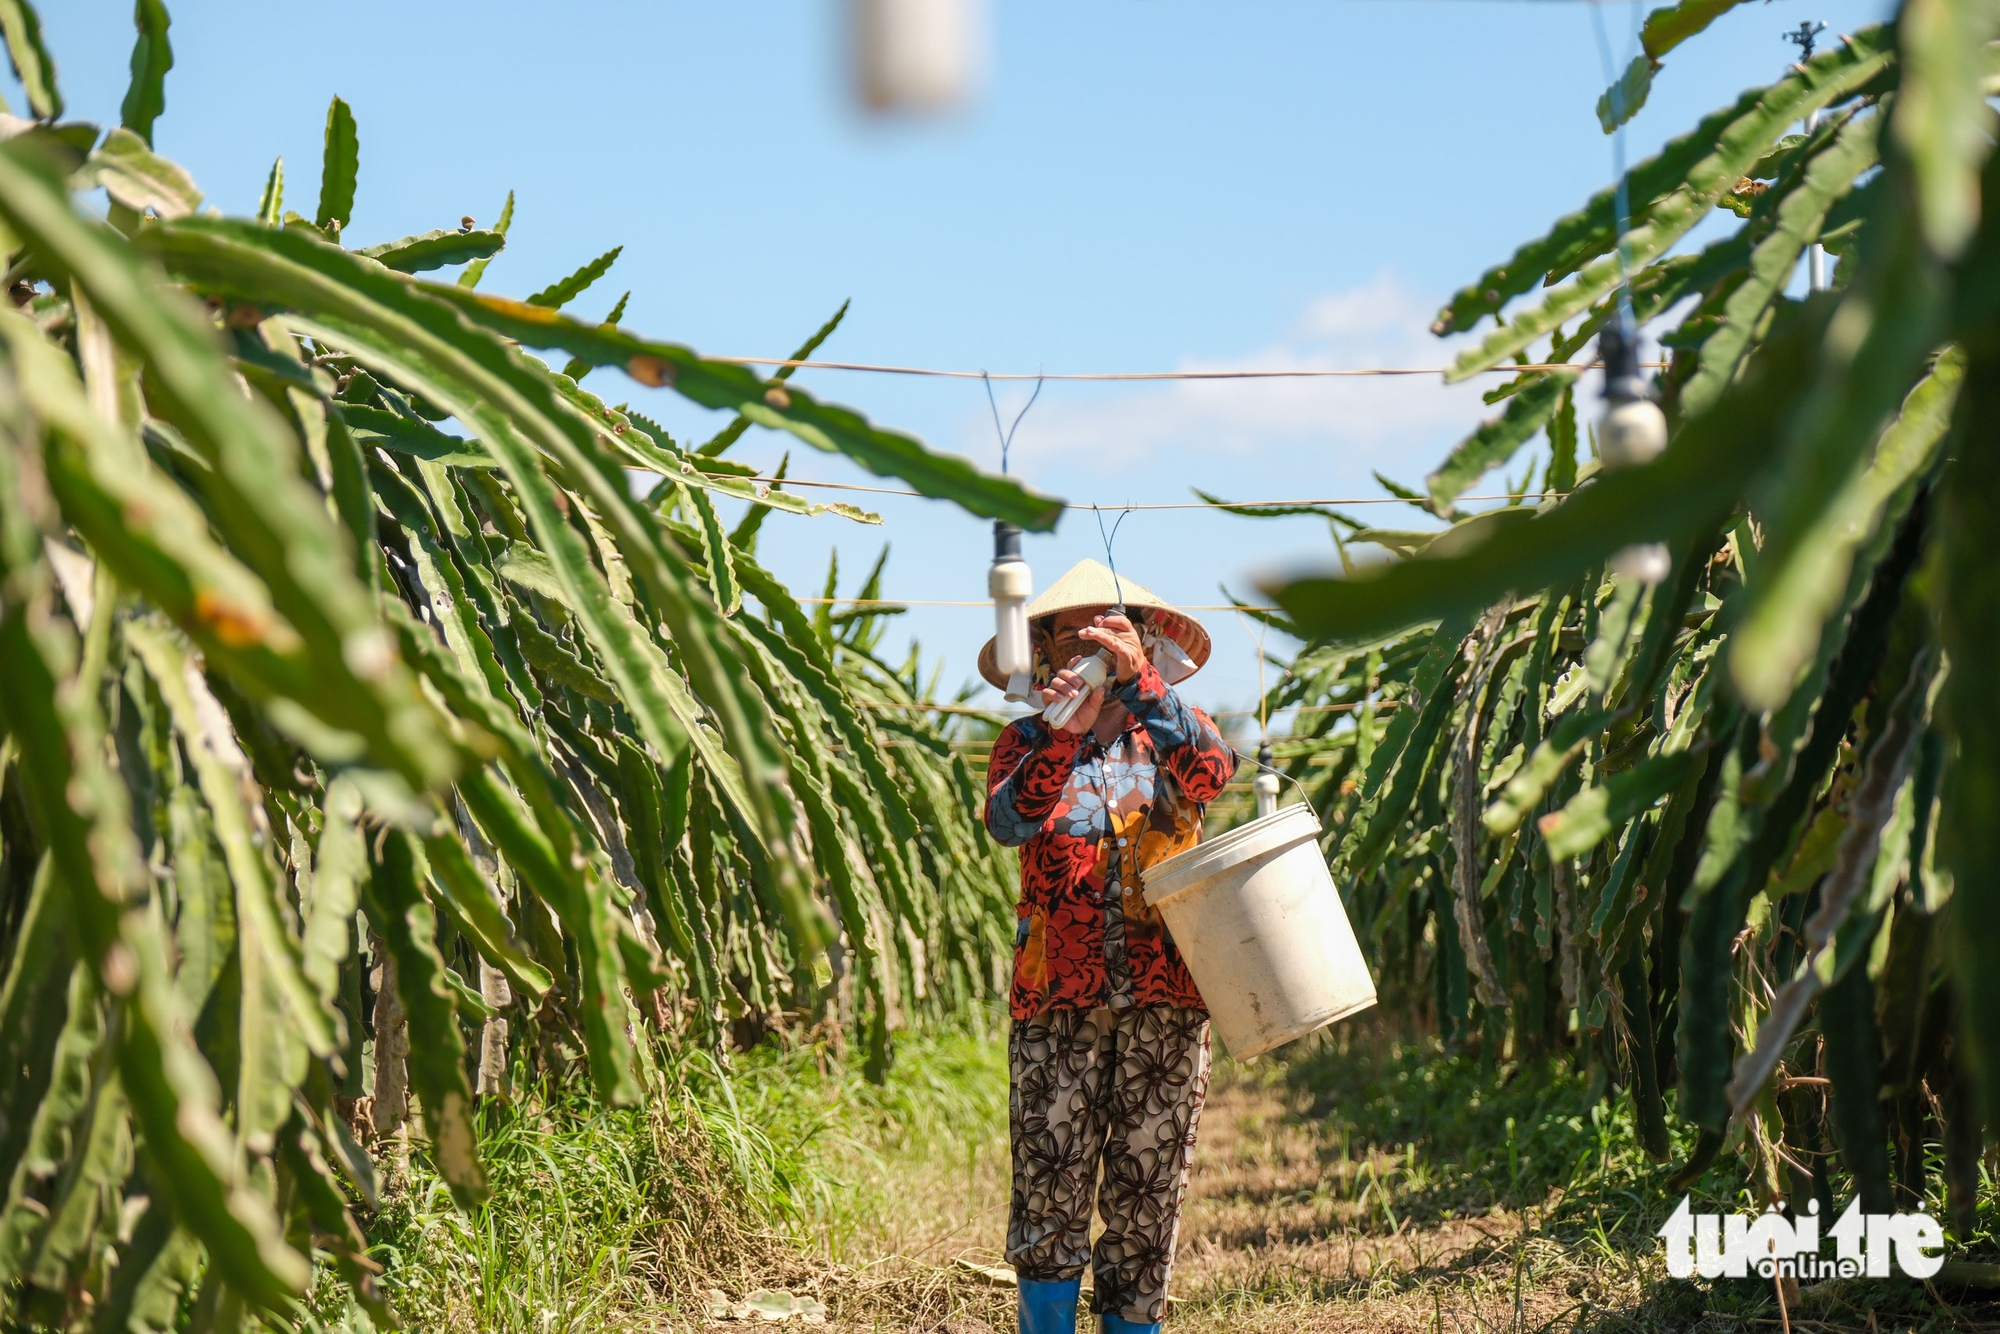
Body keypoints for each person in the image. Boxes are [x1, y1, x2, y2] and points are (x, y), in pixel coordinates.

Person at [977, 560, 1238, 1334]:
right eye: (1071, 638)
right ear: (1045, 652)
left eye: (1110, 633)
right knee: (1049, 1192)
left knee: (1146, 1194)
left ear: (1145, 644)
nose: (1087, 651)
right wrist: (1061, 733)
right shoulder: (1024, 741)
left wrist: (1144, 692)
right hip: (1056, 997)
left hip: (1167, 998)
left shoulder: (1173, 734)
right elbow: (1008, 822)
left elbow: (1213, 775)